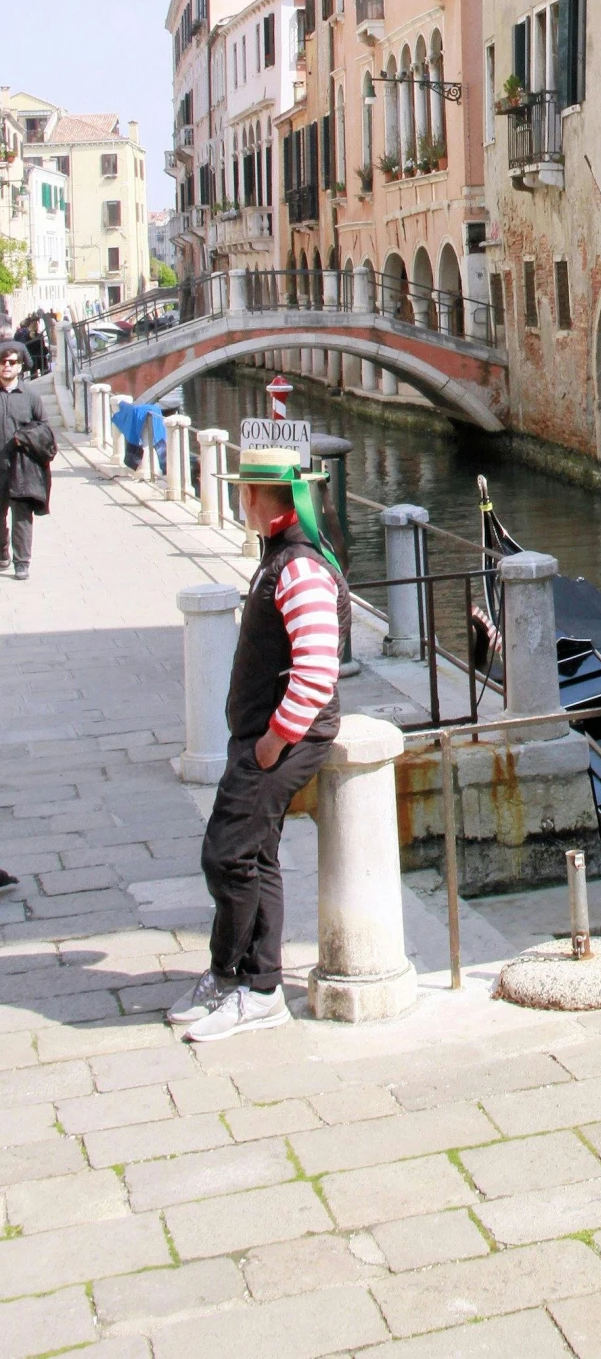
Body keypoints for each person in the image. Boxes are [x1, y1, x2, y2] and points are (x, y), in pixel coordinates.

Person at [170, 442, 350, 1041]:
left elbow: (318, 671)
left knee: (226, 856)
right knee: (256, 856)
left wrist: (274, 742)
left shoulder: (297, 567)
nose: (238, 498)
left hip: (283, 738)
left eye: (242, 490)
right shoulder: (284, 555)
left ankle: (241, 982)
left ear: (254, 498)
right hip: (267, 733)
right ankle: (251, 983)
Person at [0, 337, 55, 580]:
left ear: (20, 366)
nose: (6, 366)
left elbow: (45, 429)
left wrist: (24, 437)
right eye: (2, 362)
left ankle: (22, 561)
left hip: (22, 467)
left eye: (11, 362)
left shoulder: (31, 396)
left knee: (22, 516)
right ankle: (3, 553)